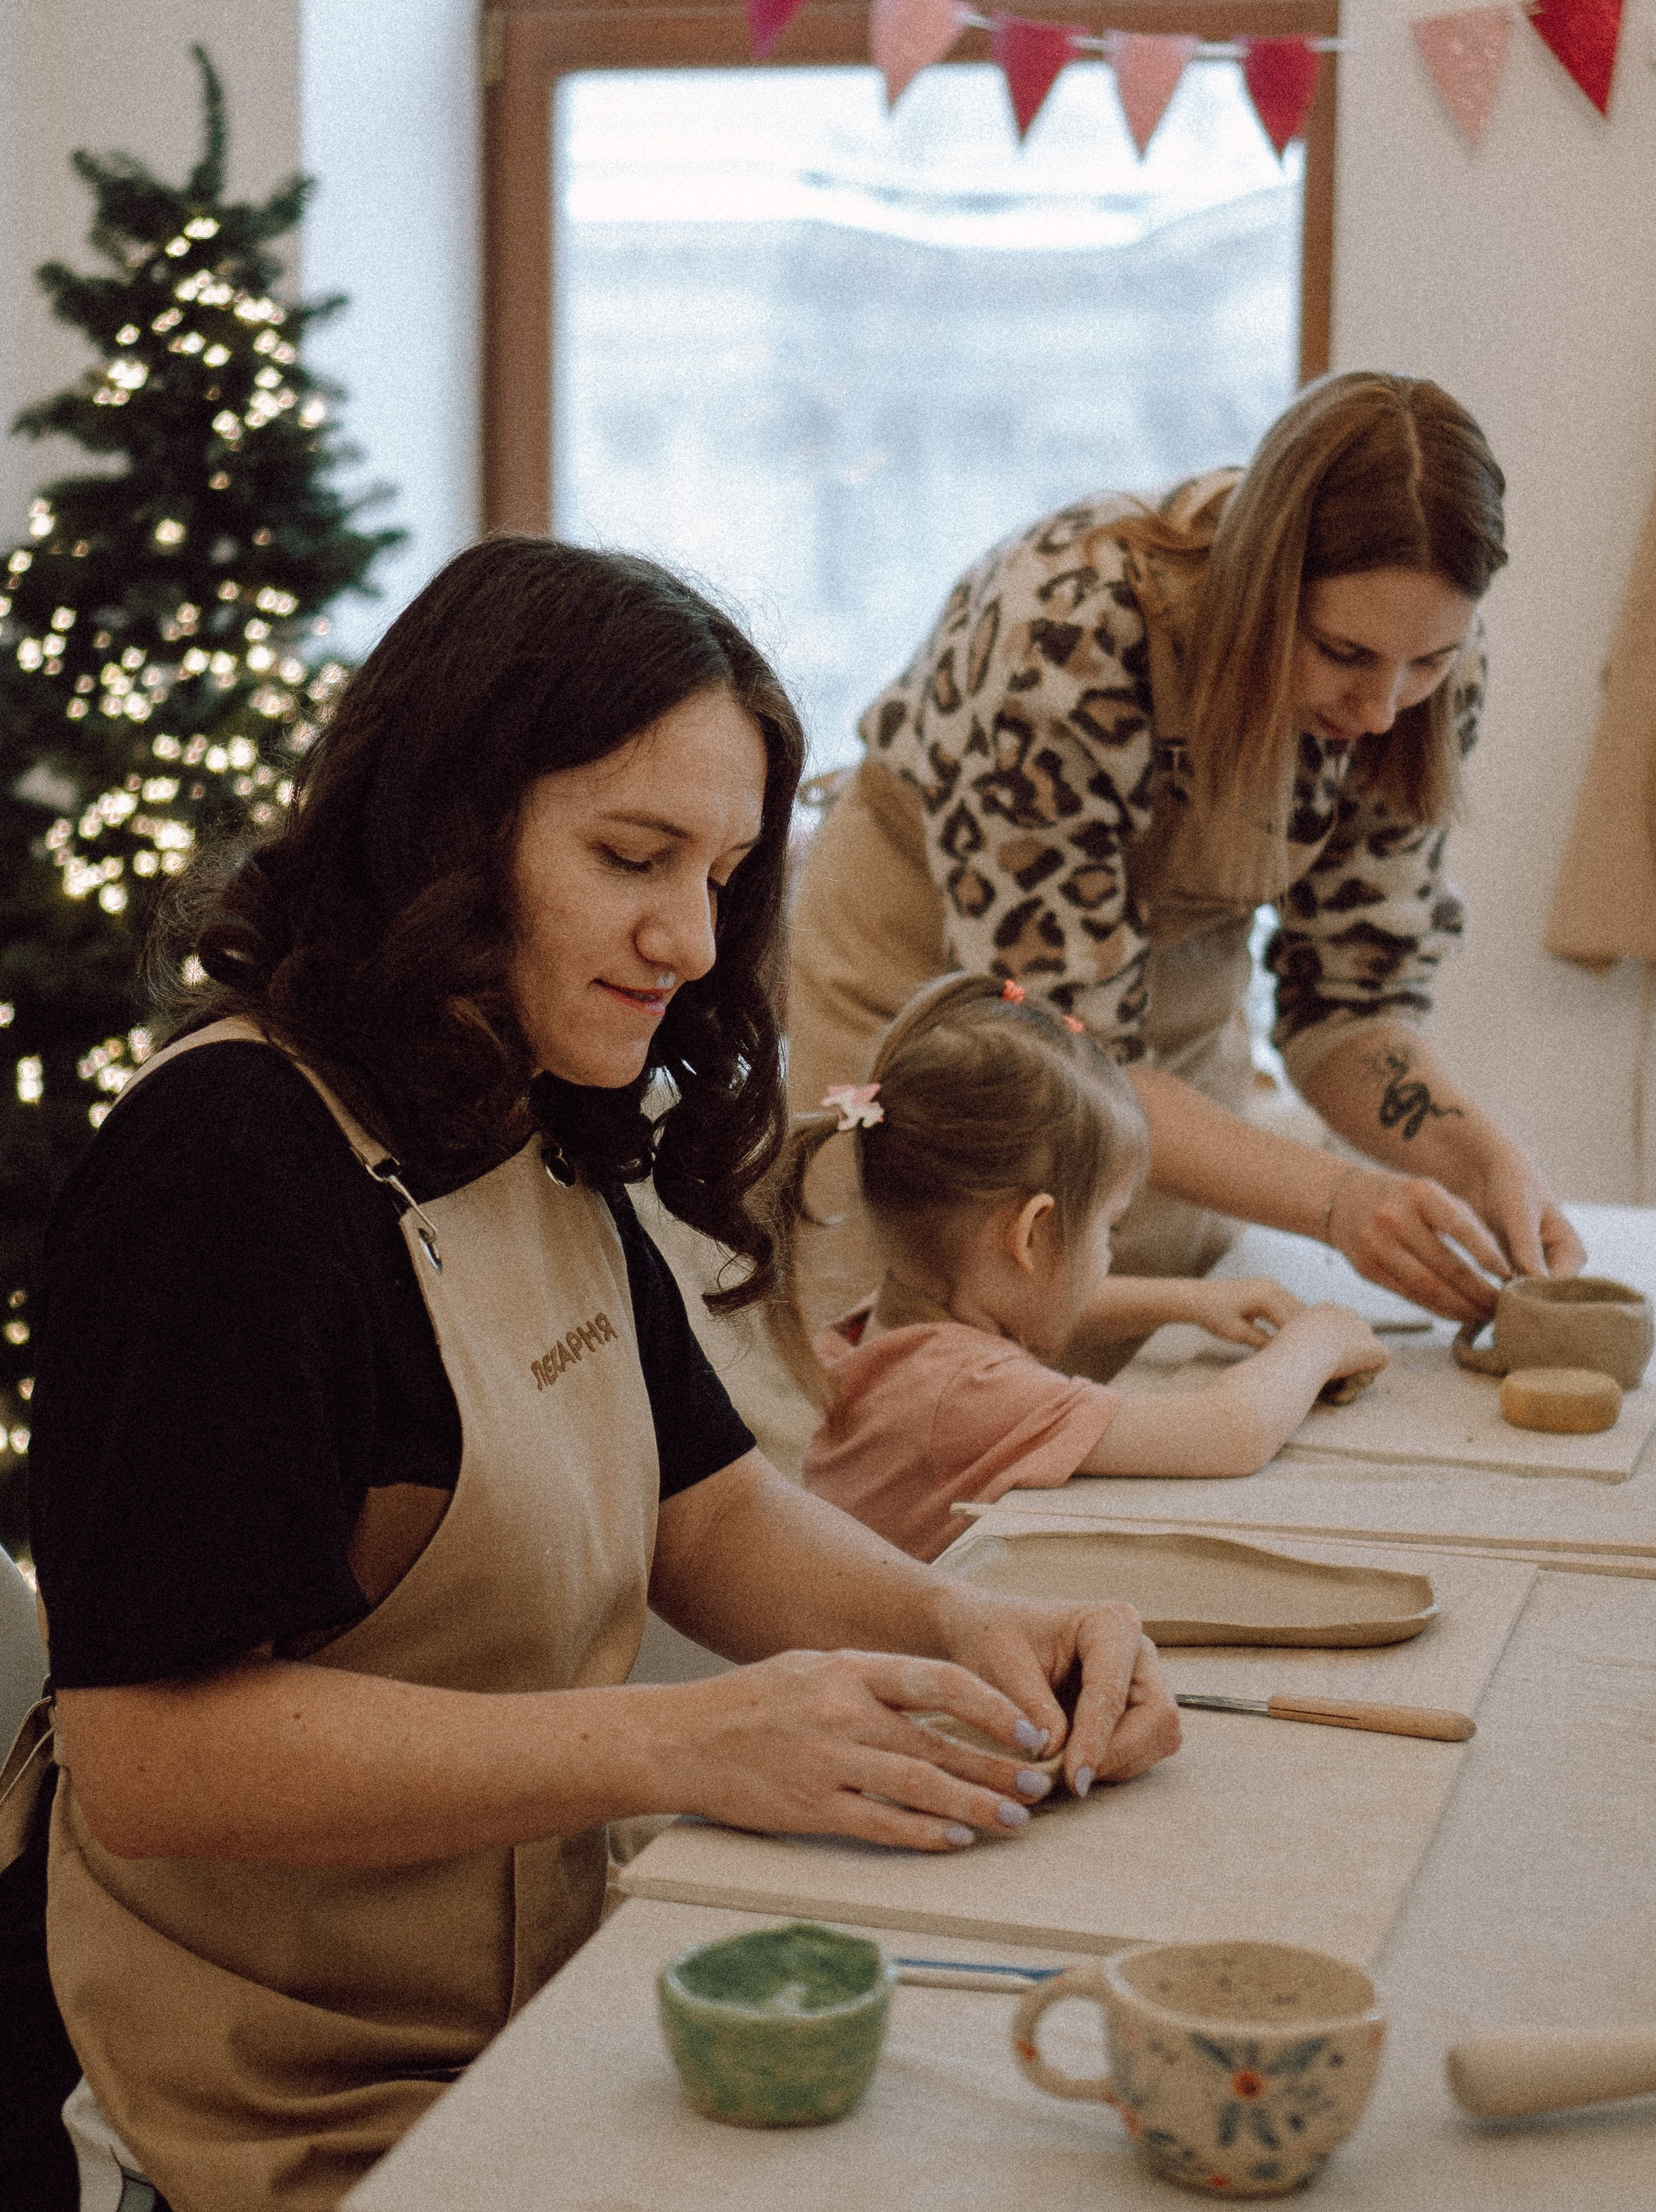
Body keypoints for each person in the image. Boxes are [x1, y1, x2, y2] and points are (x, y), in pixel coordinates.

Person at [25, 542, 1181, 2212]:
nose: (691, 940)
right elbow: (147, 1756)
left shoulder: (522, 1101)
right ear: (442, 825)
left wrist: (964, 1627)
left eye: (721, 872)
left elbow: (701, 1506)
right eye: (631, 856)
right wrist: (678, 1740)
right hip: (258, 2087)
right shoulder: (228, 1168)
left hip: (519, 2004)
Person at [787, 370, 1585, 1370]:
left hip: (1163, 1013)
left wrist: (1479, 1158)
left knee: (1156, 1353)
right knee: (918, 1368)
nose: (1383, 708)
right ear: (1261, 591)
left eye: (1425, 664)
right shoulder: (1068, 631)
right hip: (923, 989)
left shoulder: (1416, 663)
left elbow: (1348, 1008)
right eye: (1344, 652)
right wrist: (1337, 1201)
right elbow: (1063, 1039)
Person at [770, 974, 1388, 1561]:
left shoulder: (878, 1333)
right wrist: (1324, 1335)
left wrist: (1191, 1301)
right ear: (1032, 1235)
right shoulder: (965, 1399)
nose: (1110, 1251)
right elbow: (1231, 1431)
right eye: (1109, 1228)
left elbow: (1035, 1299)